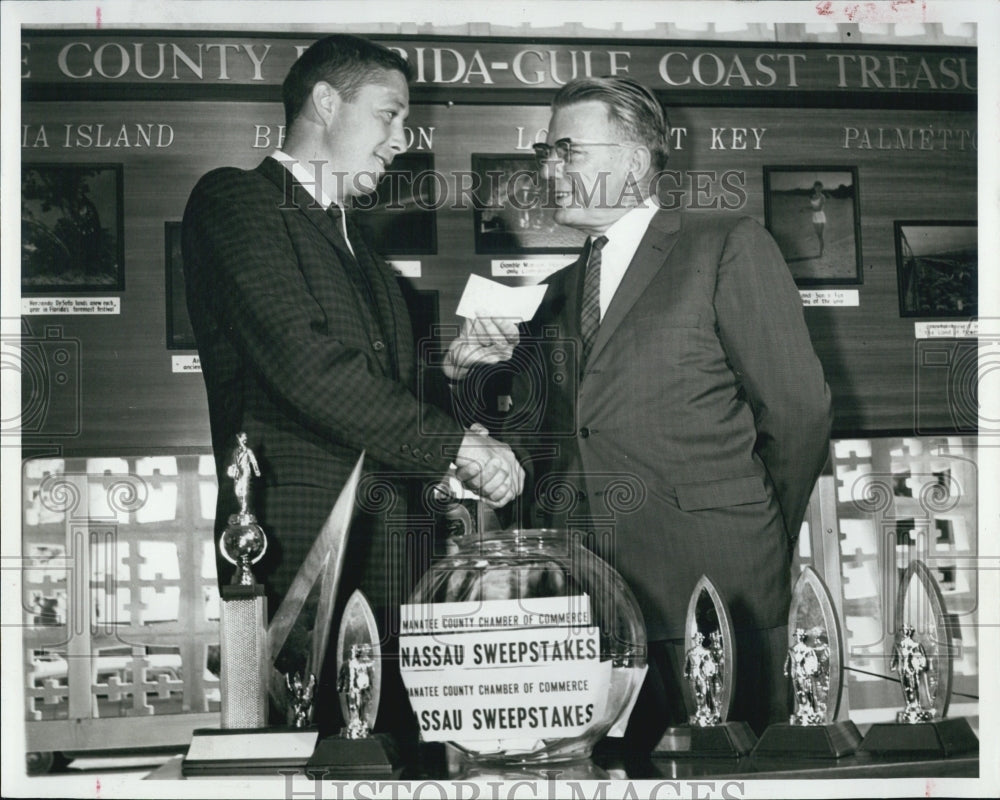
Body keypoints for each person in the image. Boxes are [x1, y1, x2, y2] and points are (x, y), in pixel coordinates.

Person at [444, 76, 831, 747]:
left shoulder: (725, 245)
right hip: (587, 610)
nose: (549, 167)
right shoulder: (556, 292)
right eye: (546, 151)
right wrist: (462, 375)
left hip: (717, 590)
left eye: (567, 149)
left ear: (633, 159)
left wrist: (760, 532)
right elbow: (532, 448)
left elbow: (799, 412)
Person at [182, 34, 523, 736]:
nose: (402, 139)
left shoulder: (358, 248)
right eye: (390, 115)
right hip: (301, 572)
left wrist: (449, 374)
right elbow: (306, 366)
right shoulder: (235, 200)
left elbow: (378, 397)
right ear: (326, 101)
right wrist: (458, 444)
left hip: (394, 572)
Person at [807, 180, 828, 257]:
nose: (818, 189)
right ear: (814, 188)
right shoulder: (812, 196)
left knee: (821, 236)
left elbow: (819, 209)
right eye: (817, 187)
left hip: (821, 216)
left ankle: (821, 253)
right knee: (818, 235)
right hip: (814, 217)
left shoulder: (823, 197)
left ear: (821, 188)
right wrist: (804, 208)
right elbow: (812, 207)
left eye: (820, 187)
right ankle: (821, 250)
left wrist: (807, 209)